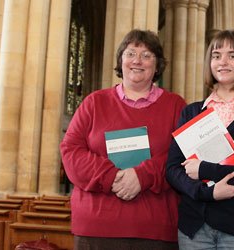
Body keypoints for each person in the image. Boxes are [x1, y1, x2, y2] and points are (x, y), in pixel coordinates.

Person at [60, 29, 186, 250]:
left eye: (147, 55)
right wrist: (112, 176)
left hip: (155, 229)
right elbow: (71, 151)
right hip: (96, 228)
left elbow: (185, 156)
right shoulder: (94, 103)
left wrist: (142, 176)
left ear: (157, 65)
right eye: (130, 53)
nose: (137, 61)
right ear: (120, 60)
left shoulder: (176, 106)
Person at [166, 30, 234, 249]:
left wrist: (206, 170)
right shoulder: (193, 112)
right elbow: (172, 169)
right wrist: (207, 193)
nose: (222, 62)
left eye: (232, 56)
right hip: (194, 228)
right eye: (216, 56)